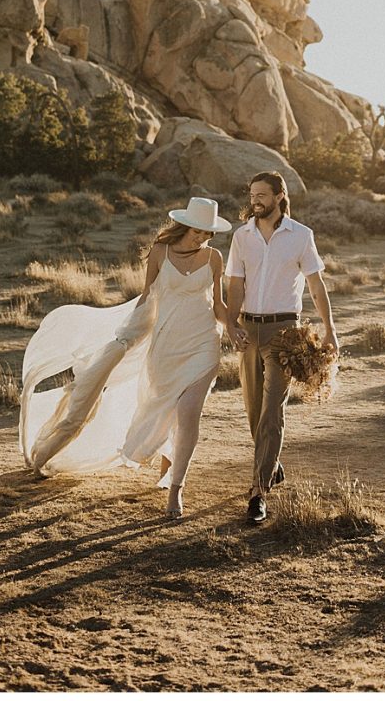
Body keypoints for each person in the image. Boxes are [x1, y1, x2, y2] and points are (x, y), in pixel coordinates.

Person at [19, 197, 239, 518]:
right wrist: (125, 340)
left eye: (208, 233)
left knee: (188, 412)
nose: (203, 238)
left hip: (203, 342)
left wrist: (234, 327)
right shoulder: (161, 253)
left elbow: (217, 305)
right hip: (166, 345)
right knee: (166, 409)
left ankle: (175, 488)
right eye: (199, 231)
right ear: (186, 225)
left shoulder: (214, 258)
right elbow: (146, 299)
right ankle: (166, 471)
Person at [226, 171, 338, 525]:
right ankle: (271, 463)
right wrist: (230, 324)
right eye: (252, 195)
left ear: (279, 196)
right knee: (254, 410)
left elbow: (316, 286)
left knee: (272, 410)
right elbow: (234, 284)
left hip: (284, 332)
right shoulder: (241, 236)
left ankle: (258, 491)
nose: (255, 201)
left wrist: (330, 330)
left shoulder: (301, 236)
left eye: (261, 195)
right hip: (248, 328)